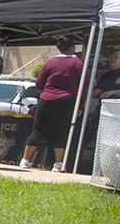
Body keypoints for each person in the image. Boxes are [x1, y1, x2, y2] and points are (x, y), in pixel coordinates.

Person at [21, 36, 83, 172]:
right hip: (65, 99)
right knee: (61, 131)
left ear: (58, 48)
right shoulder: (78, 63)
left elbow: (38, 83)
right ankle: (58, 164)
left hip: (46, 99)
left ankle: (25, 160)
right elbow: (84, 83)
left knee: (38, 129)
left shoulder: (50, 62)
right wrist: (80, 106)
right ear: (73, 47)